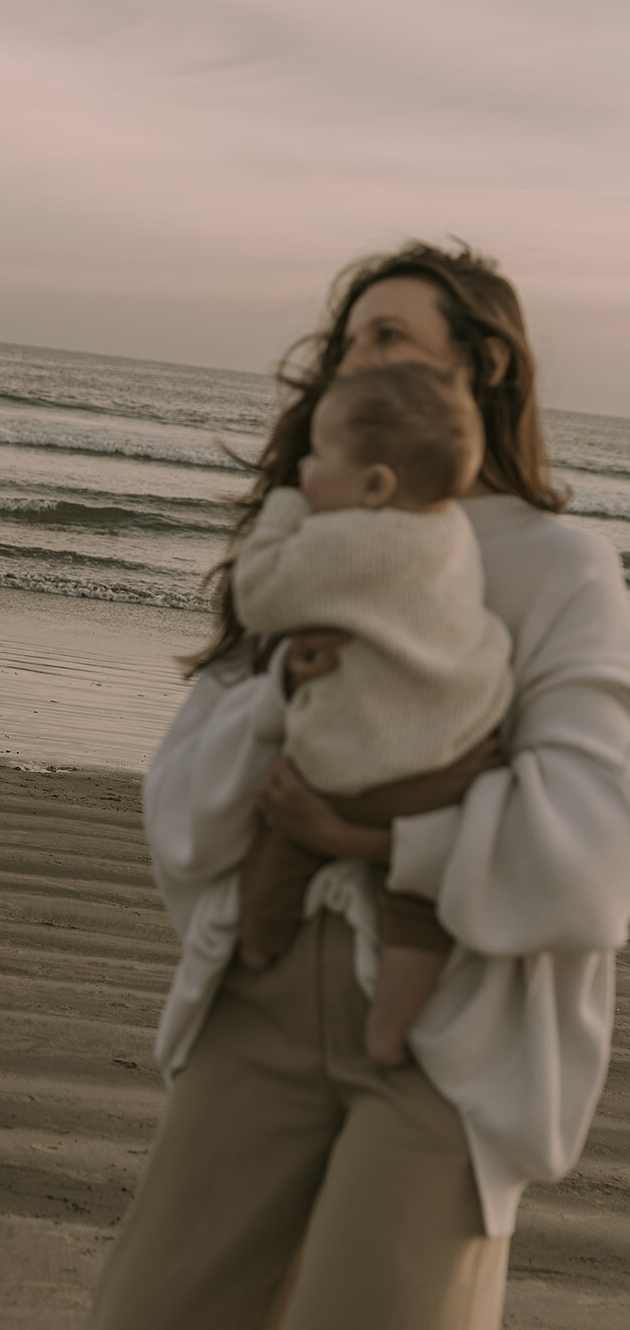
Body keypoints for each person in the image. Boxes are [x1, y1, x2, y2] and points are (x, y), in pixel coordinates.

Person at [75, 241, 630, 1330]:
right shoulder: (316, 529)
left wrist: (376, 838)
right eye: (344, 342)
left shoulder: (559, 568)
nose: (353, 360)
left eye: (385, 335)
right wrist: (281, 696)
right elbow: (181, 801)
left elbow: (591, 849)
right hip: (260, 1001)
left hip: (445, 1037)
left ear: (481, 361)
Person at [230, 361, 513, 1067]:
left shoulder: (347, 537)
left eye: (320, 457)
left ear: (376, 486)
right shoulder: (451, 532)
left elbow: (259, 597)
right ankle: (389, 1028)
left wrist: (283, 512)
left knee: (281, 842)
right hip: (452, 758)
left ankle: (257, 947)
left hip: (353, 768)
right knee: (412, 905)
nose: (304, 466)